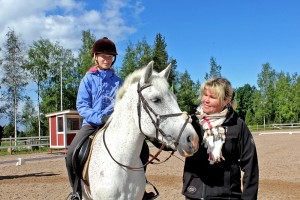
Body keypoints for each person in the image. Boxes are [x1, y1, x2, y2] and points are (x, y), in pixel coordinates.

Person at [182, 77, 259, 200]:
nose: (205, 100)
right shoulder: (192, 123)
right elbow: (166, 145)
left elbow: (251, 166)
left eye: (212, 97)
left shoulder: (238, 126)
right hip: (194, 194)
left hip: (227, 196)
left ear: (226, 101)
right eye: (204, 95)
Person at [65, 37, 122, 199]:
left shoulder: (119, 82)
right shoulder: (87, 80)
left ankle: (141, 185)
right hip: (91, 124)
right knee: (71, 154)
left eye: (110, 56)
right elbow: (82, 106)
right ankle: (76, 190)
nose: (107, 59)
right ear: (95, 57)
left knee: (141, 150)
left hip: (113, 125)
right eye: (103, 56)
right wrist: (101, 118)